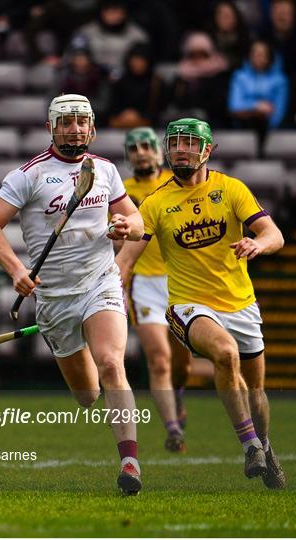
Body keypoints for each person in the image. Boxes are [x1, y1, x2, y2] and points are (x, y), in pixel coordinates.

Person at [0, 94, 144, 495]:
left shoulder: (104, 169)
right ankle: (82, 349)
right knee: (87, 395)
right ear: (51, 127)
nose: (74, 128)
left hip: (99, 282)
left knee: (111, 362)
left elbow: (137, 220)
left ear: (92, 127)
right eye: (65, 122)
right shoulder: (28, 175)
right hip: (54, 297)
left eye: (81, 121)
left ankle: (130, 462)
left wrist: (126, 228)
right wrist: (17, 270)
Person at [116, 118, 286, 489]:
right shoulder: (157, 202)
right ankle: (250, 446)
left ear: (208, 150)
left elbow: (274, 233)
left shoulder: (231, 189)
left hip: (240, 302)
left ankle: (266, 445)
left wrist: (258, 244)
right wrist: (102, 289)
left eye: (190, 143)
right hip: (187, 305)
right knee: (225, 355)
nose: (181, 150)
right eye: (175, 143)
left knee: (256, 391)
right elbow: (126, 261)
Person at [120, 127, 191, 452]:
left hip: (183, 280)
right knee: (159, 360)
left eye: (147, 145)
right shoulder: (120, 191)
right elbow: (117, 239)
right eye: (134, 147)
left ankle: (177, 393)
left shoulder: (178, 185)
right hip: (144, 284)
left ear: (158, 151)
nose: (141, 152)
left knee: (181, 364)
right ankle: (173, 429)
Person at [228, 39, 288, 147]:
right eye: (254, 53)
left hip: (269, 127)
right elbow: (234, 106)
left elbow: (279, 111)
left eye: (262, 54)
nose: (258, 57)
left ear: (269, 57)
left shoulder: (279, 79)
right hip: (242, 124)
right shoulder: (240, 76)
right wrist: (257, 106)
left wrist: (270, 126)